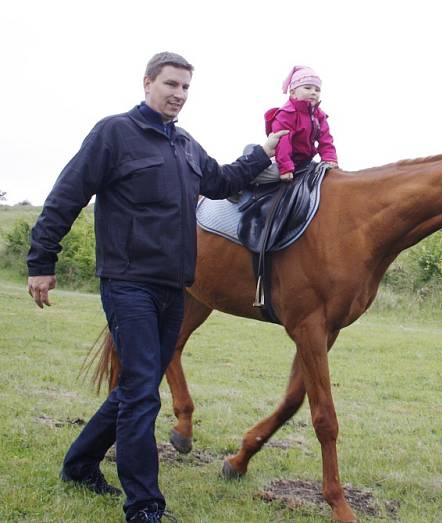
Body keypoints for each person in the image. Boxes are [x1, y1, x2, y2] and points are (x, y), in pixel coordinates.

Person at [26, 51, 287, 523]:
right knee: (144, 391)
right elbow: (67, 194)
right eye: (171, 84)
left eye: (186, 88)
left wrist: (262, 152)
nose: (178, 95)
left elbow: (222, 181)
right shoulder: (114, 134)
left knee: (135, 385)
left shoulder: (184, 145)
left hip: (176, 287)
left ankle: (79, 464)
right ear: (147, 82)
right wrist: (41, 260)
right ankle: (144, 505)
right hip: (129, 283)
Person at [266, 65, 338, 182]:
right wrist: (286, 168)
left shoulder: (320, 116)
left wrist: (329, 159)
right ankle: (245, 184)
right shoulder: (286, 114)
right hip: (284, 159)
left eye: (317, 90)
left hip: (305, 162)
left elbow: (326, 140)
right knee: (274, 174)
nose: (313, 92)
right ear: (293, 92)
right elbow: (283, 143)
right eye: (308, 88)